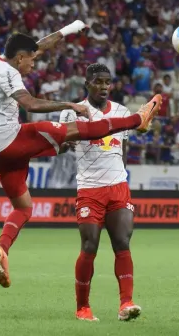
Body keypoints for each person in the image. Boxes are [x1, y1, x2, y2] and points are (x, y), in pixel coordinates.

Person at [0, 28, 162, 289]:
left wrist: (70, 28)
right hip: (8, 139)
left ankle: (3, 250)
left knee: (24, 208)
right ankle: (137, 119)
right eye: (31, 59)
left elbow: (38, 46)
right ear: (19, 58)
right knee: (78, 127)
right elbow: (29, 104)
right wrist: (70, 105)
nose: (34, 63)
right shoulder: (7, 72)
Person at [58, 63, 142, 322]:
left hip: (118, 187)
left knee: (122, 242)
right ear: (87, 84)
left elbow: (123, 149)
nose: (104, 86)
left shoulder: (121, 111)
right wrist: (64, 143)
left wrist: (121, 176)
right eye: (98, 81)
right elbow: (59, 146)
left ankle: (126, 304)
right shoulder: (73, 113)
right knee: (89, 245)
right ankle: (82, 307)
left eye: (107, 82)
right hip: (90, 189)